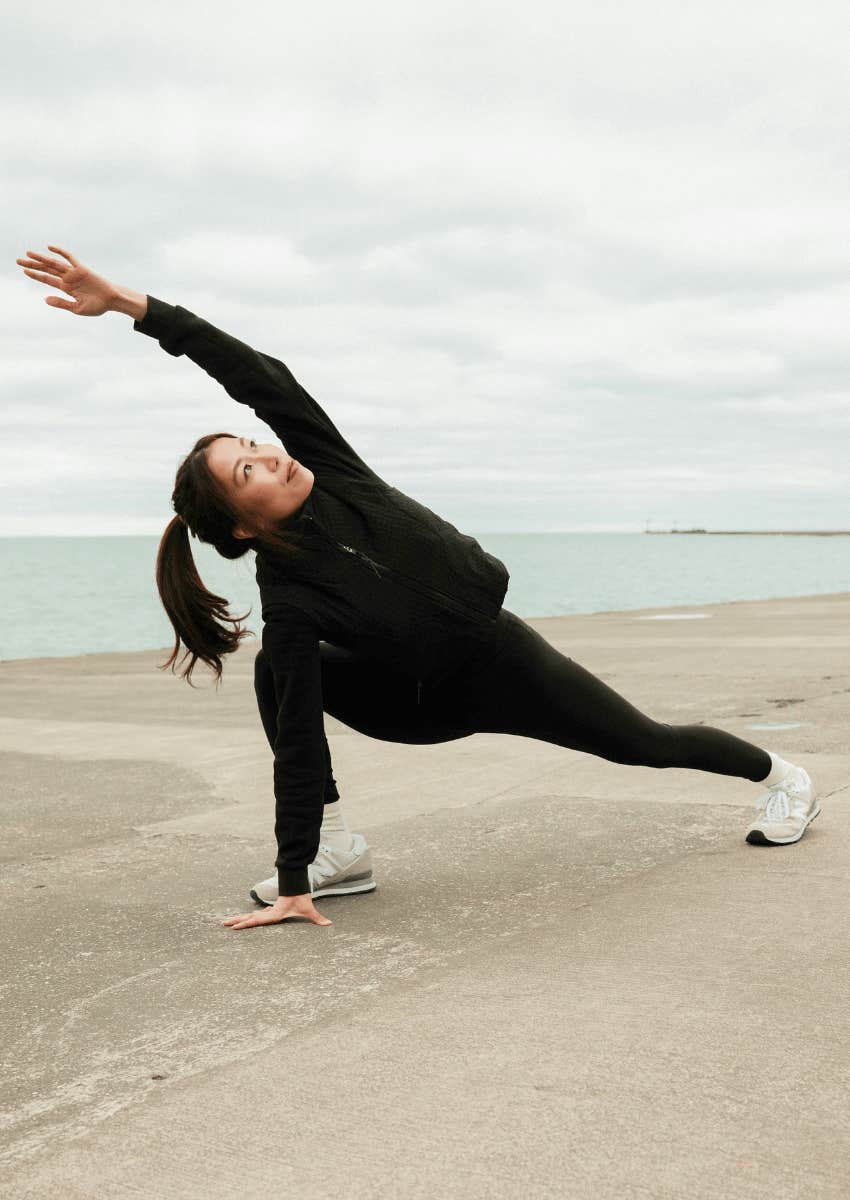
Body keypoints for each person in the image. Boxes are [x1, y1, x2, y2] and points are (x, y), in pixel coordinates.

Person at [16, 244, 821, 932]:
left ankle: (785, 780)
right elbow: (298, 743)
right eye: (246, 468)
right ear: (241, 526)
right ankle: (338, 853)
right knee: (277, 669)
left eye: (257, 444)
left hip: (503, 661)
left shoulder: (331, 467)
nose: (270, 453)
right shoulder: (289, 600)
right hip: (416, 703)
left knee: (645, 744)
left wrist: (130, 303)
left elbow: (255, 375)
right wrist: (292, 878)